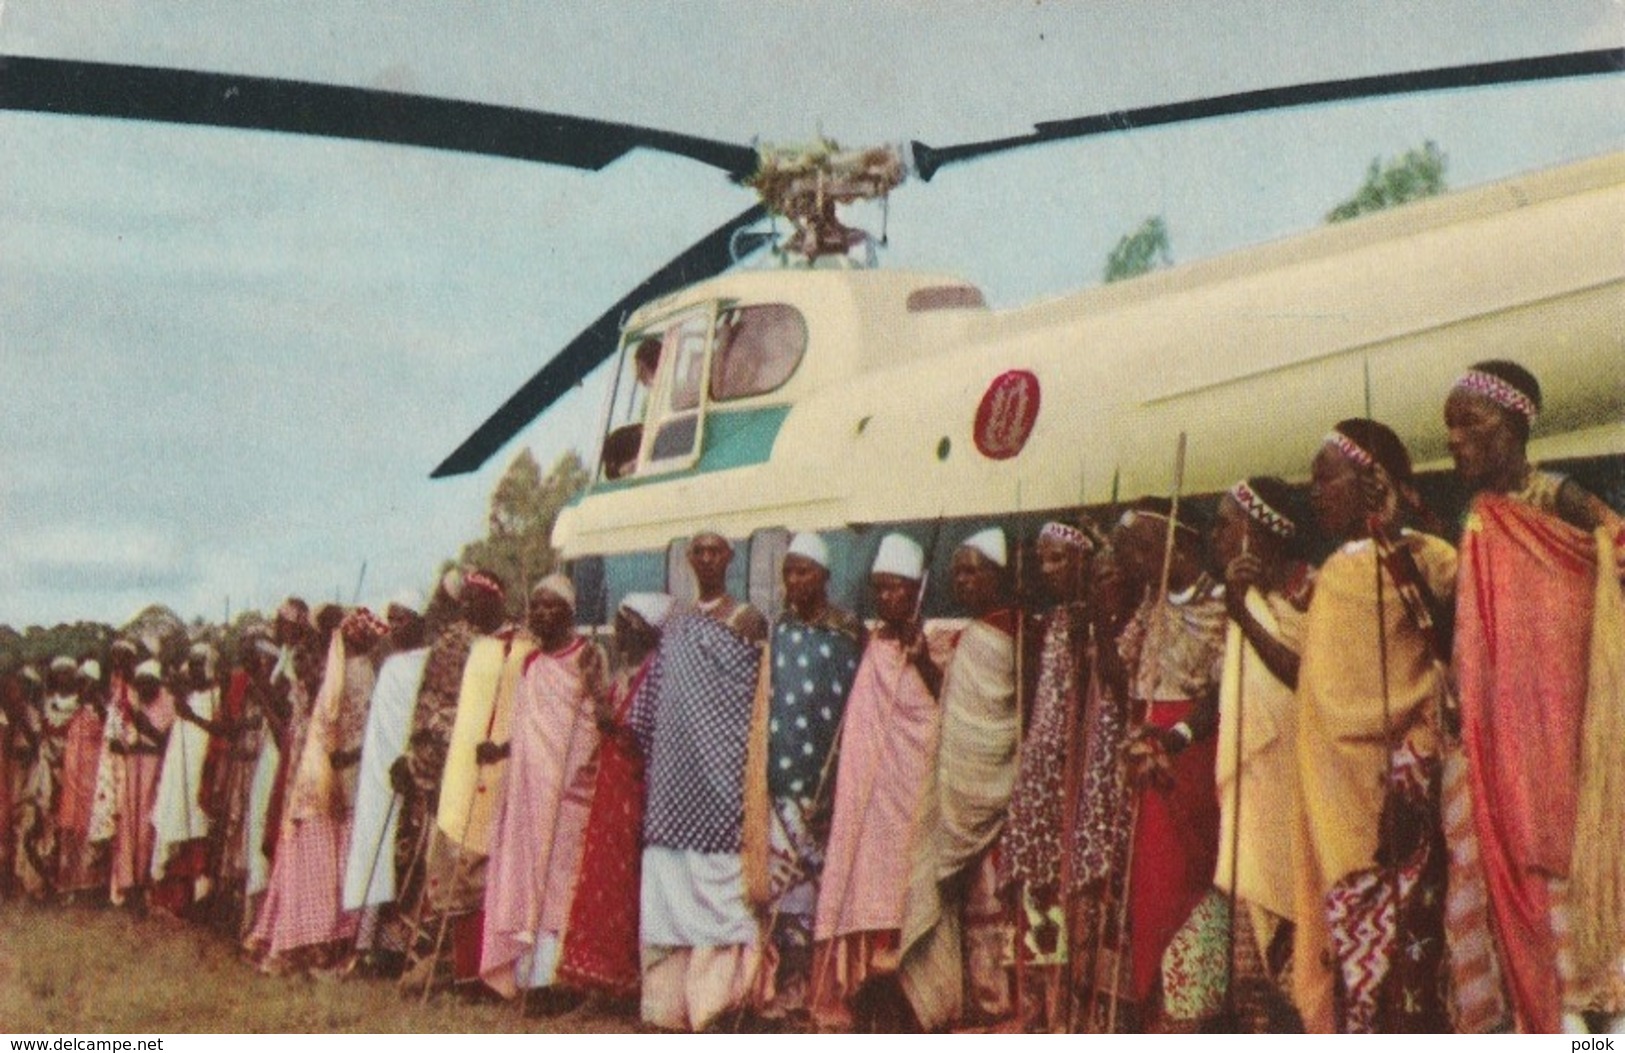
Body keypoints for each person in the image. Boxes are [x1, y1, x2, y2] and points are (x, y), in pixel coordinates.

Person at [1444, 361, 1625, 1033]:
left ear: (1515, 425)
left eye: (1471, 424)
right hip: (1502, 750)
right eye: (1449, 428)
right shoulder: (1478, 518)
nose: (1456, 440)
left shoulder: (1552, 496)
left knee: (1591, 963)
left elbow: (1611, 535)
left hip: (1566, 744)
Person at [1294, 419, 1456, 1033]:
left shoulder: (1429, 555)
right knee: (1349, 967)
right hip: (1333, 797)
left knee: (1404, 968)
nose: (1315, 493)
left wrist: (1391, 541)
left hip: (1395, 793)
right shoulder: (1334, 570)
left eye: (1323, 478)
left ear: (1371, 481)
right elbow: (1315, 685)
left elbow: (1447, 650)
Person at [628, 531, 768, 1031]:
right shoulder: (676, 623)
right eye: (699, 552)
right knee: (668, 896)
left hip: (721, 783)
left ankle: (718, 1007)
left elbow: (755, 700)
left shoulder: (746, 621)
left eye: (716, 551)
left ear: (729, 558)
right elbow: (654, 700)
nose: (707, 559)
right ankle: (666, 1008)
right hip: (672, 787)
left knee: (721, 896)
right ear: (689, 560)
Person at [809, 533, 943, 1031]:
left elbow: (937, 712)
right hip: (865, 789)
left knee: (903, 876)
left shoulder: (927, 642)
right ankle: (858, 991)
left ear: (916, 591)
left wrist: (923, 658)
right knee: (861, 873)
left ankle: (908, 992)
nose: (888, 598)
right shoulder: (869, 644)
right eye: (880, 589)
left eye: (897, 589)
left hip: (908, 789)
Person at [1105, 499, 1226, 1030]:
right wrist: (1101, 614)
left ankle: (1192, 1015)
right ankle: (1152, 1012)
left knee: (1185, 881)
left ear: (1177, 545)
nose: (1134, 559)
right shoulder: (1151, 601)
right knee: (1147, 884)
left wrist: (1174, 736)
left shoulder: (1222, 604)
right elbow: (1121, 670)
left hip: (1190, 754)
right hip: (1146, 746)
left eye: (1142, 547)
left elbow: (1221, 693)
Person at [898, 527, 1022, 1031]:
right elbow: (950, 706)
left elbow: (1011, 716)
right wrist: (926, 663)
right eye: (958, 573)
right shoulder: (969, 637)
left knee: (997, 904)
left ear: (998, 576)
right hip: (961, 798)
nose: (964, 582)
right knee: (968, 906)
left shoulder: (1016, 632)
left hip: (1001, 794)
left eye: (975, 571)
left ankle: (1005, 1005)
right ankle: (967, 1001)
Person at [742, 532, 864, 1023]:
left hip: (831, 784)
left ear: (825, 577)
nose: (794, 581)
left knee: (824, 891)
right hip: (782, 783)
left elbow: (860, 707)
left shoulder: (849, 632)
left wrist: (838, 780)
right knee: (785, 897)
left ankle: (824, 992)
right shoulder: (780, 631)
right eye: (788, 572)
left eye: (803, 572)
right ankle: (787, 989)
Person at [1207, 478, 1314, 1031]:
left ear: (1254, 530)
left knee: (1298, 912)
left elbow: (1306, 678)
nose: (1216, 536)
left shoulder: (1308, 589)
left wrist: (1243, 614)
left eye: (1225, 524)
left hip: (1297, 779)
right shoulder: (1240, 598)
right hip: (1256, 784)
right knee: (1256, 913)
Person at [481, 575, 607, 1000]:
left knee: (561, 881)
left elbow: (596, 722)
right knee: (528, 879)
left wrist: (572, 775)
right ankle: (528, 976)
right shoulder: (531, 664)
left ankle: (560, 978)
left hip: (569, 793)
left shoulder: (587, 656)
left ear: (569, 612)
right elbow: (525, 726)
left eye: (550, 606)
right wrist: (500, 750)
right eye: (535, 605)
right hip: (528, 793)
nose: (539, 614)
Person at [397, 569, 519, 991]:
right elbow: (438, 706)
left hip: (502, 770)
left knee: (492, 869)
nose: (466, 607)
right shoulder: (461, 644)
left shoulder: (519, 646)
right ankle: (460, 967)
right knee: (456, 869)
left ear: (496, 599)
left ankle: (491, 969)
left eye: (475, 598)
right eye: (463, 599)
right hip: (458, 773)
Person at [997, 521, 1093, 1030]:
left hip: (1072, 775)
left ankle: (1067, 1012)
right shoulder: (1052, 621)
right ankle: (1036, 1009)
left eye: (1060, 559)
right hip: (1039, 772)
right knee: (1034, 889)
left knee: (1066, 890)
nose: (1050, 569)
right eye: (1044, 561)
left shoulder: (1095, 620)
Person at [555, 592, 673, 1002]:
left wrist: (594, 692)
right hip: (614, 792)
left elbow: (626, 732)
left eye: (625, 627)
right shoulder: (628, 672)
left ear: (643, 631)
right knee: (606, 881)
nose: (619, 635)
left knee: (629, 885)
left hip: (635, 793)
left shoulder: (656, 674)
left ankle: (626, 979)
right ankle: (601, 978)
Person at [343, 594, 430, 973]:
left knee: (408, 859)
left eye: (403, 619)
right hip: (379, 778)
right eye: (390, 619)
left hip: (414, 774)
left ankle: (398, 950)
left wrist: (413, 763)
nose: (394, 627)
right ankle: (368, 947)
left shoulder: (430, 662)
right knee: (375, 855)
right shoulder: (390, 664)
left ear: (420, 622)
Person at [150, 642, 222, 915]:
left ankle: (198, 900)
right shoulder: (187, 694)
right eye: (190, 664)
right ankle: (172, 899)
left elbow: (220, 729)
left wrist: (192, 718)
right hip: (180, 768)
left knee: (197, 826)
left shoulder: (217, 694)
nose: (193, 670)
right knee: (176, 821)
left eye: (198, 664)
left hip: (201, 766)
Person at [109, 660, 175, 909]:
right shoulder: (133, 702)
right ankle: (129, 884)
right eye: (141, 684)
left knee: (148, 825)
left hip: (154, 768)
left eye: (149, 683)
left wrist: (140, 721)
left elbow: (162, 740)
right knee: (129, 825)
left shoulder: (167, 704)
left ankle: (147, 884)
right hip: (132, 765)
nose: (144, 689)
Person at [55, 658, 107, 899]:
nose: (82, 686)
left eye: (86, 682)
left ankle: (90, 886)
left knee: (87, 826)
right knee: (69, 825)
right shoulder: (74, 708)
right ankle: (69, 884)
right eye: (80, 682)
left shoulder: (100, 708)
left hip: (90, 778)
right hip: (72, 778)